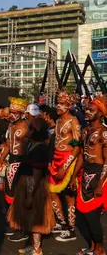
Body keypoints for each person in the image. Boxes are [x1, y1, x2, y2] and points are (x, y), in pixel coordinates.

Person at [8, 118, 55, 255]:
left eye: (30, 128)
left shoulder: (40, 148)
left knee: (35, 219)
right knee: (28, 218)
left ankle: (37, 249)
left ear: (35, 131)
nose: (27, 130)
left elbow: (37, 173)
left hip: (33, 187)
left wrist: (29, 194)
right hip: (27, 184)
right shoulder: (31, 145)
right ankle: (31, 245)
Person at [70, 95, 107, 255]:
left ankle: (100, 249)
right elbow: (81, 155)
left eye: (91, 110)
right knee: (82, 216)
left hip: (99, 174)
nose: (87, 111)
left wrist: (100, 183)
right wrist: (73, 176)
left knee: (92, 216)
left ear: (101, 114)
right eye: (87, 108)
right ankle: (92, 246)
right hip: (85, 173)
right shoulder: (85, 131)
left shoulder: (104, 133)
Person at [0, 97, 30, 242]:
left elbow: (36, 145)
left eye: (15, 112)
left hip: (23, 163)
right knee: (11, 196)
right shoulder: (11, 127)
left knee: (21, 197)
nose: (11, 114)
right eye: (11, 111)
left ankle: (24, 229)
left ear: (21, 113)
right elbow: (8, 146)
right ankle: (15, 224)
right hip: (12, 163)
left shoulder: (28, 126)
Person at [49, 90, 80, 242]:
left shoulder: (73, 121)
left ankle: (72, 229)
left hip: (67, 159)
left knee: (68, 195)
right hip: (56, 159)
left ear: (68, 106)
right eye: (58, 103)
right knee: (51, 191)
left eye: (61, 104)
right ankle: (61, 222)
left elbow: (76, 146)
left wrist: (65, 166)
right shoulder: (58, 121)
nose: (58, 106)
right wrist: (51, 162)